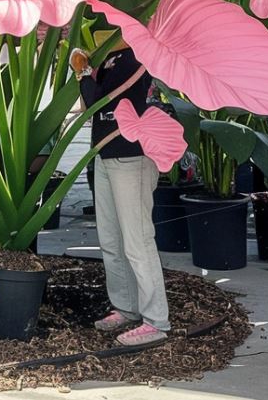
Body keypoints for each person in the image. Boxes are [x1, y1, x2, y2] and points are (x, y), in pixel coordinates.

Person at [73, 40, 170, 346]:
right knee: (112, 240)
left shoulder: (136, 54)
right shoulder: (110, 57)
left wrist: (83, 74)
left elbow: (103, 101)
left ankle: (156, 320)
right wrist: (88, 72)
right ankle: (127, 307)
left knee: (137, 240)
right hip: (105, 154)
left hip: (131, 156)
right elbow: (94, 107)